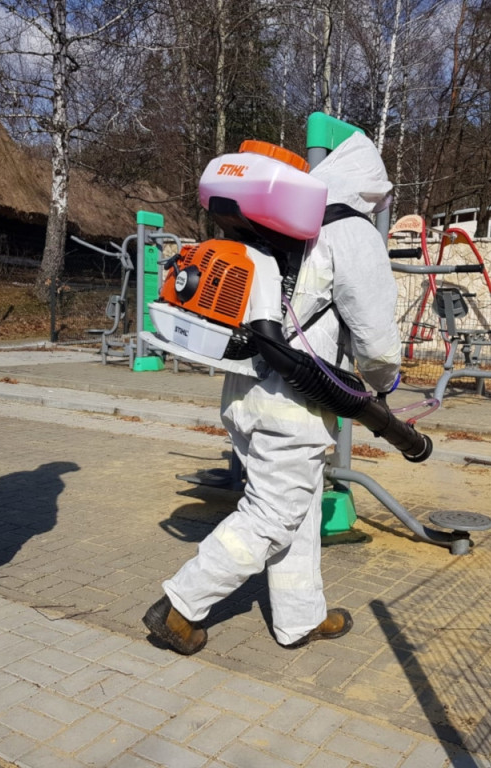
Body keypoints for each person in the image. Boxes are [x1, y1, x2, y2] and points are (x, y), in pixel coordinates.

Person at [143, 132, 402, 653]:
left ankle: (300, 619)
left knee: (297, 509)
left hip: (246, 391)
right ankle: (180, 606)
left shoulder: (275, 220)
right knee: (272, 515)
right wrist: (382, 383)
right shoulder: (350, 230)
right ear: (370, 189)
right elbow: (375, 338)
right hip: (296, 403)